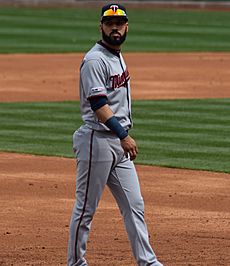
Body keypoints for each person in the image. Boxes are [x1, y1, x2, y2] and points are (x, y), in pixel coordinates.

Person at [67, 3, 163, 266]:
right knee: (86, 208)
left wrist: (121, 137)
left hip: (118, 147)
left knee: (135, 206)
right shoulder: (95, 60)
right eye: (110, 24)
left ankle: (148, 262)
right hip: (96, 141)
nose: (115, 29)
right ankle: (76, 263)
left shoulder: (116, 55)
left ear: (126, 26)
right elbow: (98, 104)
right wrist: (123, 134)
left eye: (119, 24)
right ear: (101, 27)